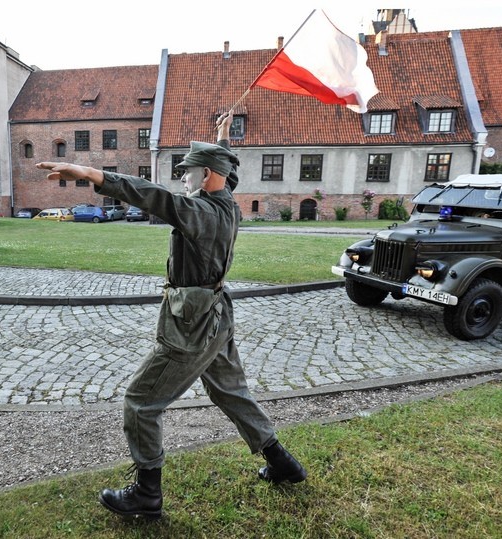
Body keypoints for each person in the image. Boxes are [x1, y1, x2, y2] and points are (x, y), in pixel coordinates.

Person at [36, 111, 306, 520]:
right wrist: (220, 139)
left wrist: (92, 173)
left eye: (188, 172)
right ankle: (284, 464)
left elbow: (152, 196)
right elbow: (222, 173)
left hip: (193, 325)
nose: (183, 178)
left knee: (141, 403)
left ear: (208, 176)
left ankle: (147, 495)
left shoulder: (201, 212)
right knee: (231, 393)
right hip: (216, 316)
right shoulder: (226, 204)